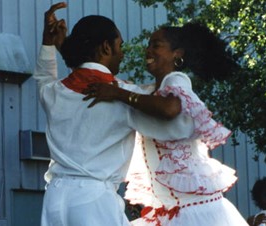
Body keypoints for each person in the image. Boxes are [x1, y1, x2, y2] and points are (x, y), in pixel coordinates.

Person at [34, 2, 197, 226]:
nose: (122, 53)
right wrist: (172, 66)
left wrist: (50, 43)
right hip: (94, 199)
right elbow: (171, 107)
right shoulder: (124, 96)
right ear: (106, 48)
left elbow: (45, 77)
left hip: (54, 199)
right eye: (119, 45)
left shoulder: (54, 92)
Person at [83, 22, 249, 225]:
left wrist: (117, 93)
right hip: (173, 212)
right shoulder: (149, 91)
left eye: (156, 44)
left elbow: (170, 109)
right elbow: (124, 90)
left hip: (193, 213)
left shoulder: (176, 80)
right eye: (148, 44)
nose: (148, 50)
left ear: (176, 54)